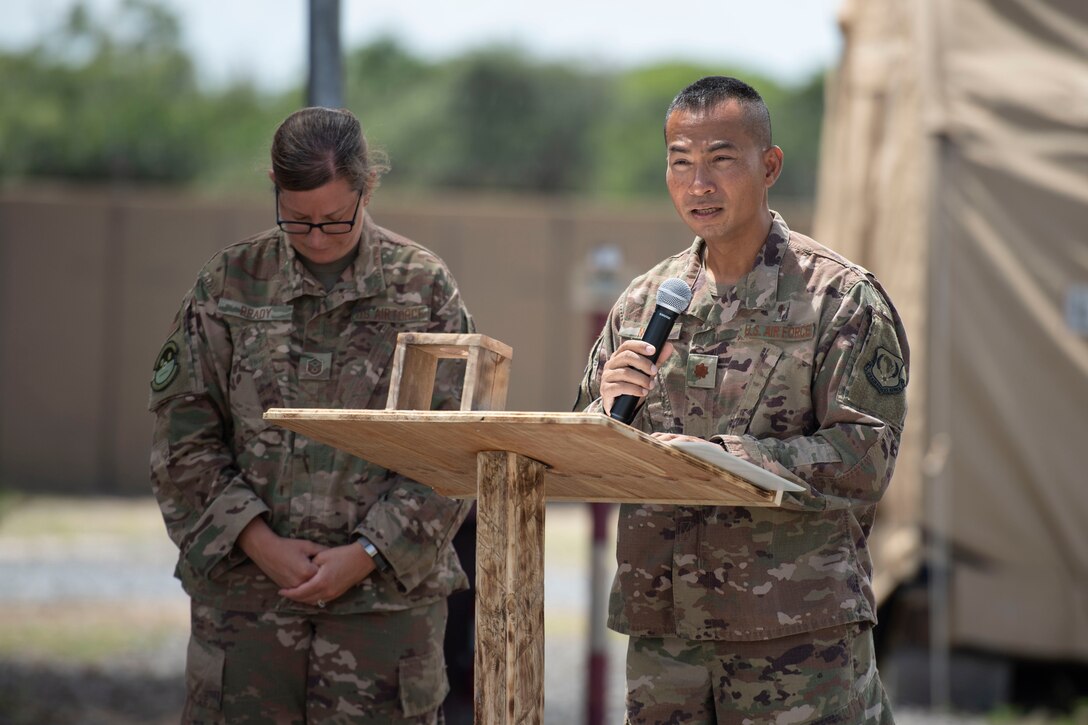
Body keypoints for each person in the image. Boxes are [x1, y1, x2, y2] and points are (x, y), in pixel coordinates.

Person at [575, 76, 908, 724]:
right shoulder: (646, 303)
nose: (698, 183)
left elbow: (864, 459)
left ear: (769, 165)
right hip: (667, 638)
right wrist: (602, 411)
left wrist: (723, 458)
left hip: (794, 638)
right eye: (681, 161)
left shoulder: (839, 298)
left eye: (721, 160)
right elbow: (583, 453)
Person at [148, 106, 474, 723]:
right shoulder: (229, 285)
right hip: (247, 613)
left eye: (335, 220)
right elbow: (182, 437)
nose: (318, 237)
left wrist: (370, 552)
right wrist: (257, 540)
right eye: (297, 221)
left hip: (381, 620)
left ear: (366, 188)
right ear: (274, 191)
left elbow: (455, 449)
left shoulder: (424, 289)